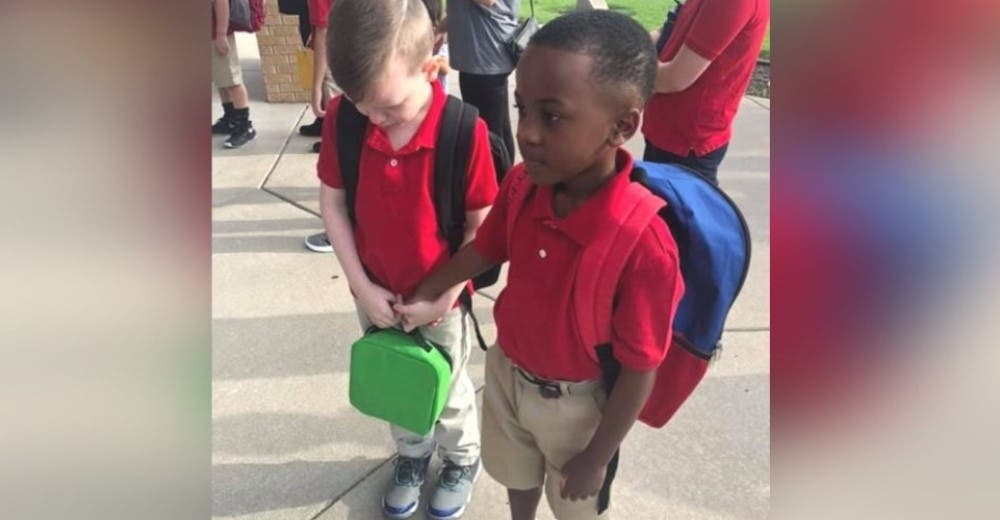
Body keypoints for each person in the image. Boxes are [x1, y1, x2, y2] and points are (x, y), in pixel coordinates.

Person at [398, 10, 684, 520]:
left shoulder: (643, 244)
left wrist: (597, 456)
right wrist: (426, 288)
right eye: (522, 108)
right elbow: (486, 249)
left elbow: (641, 369)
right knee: (516, 476)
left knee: (574, 504)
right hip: (509, 373)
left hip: (578, 410)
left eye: (551, 116)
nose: (525, 133)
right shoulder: (524, 186)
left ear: (622, 126)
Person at [318, 1, 498, 518]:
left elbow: (479, 227)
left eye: (388, 107)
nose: (374, 118)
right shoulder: (344, 120)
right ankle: (412, 454)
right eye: (361, 105)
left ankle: (462, 456)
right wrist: (361, 288)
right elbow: (333, 204)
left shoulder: (463, 131)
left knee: (447, 388)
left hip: (440, 299)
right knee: (397, 383)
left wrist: (442, 298)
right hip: (375, 292)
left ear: (429, 64)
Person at [643, 0, 769, 184]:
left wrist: (624, 67)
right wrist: (624, 42)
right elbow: (669, 31)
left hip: (686, 144)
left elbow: (674, 78)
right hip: (666, 129)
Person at [446, 0, 518, 163]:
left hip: (486, 56)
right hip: (478, 58)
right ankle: (504, 180)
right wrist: (440, 28)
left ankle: (496, 182)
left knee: (489, 133)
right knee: (496, 128)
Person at [211, 0, 256, 148]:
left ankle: (245, 127)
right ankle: (230, 118)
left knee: (232, 80)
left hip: (216, 34)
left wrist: (221, 34)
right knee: (221, 79)